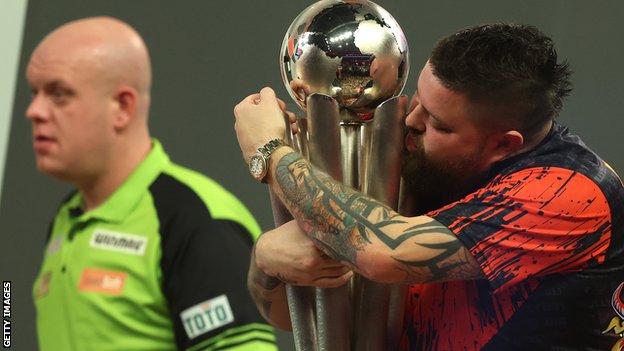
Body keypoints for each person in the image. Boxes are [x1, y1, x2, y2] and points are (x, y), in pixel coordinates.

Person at [234, 23, 624, 350]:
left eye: (439, 123)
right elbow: (289, 317)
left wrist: (269, 152)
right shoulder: (430, 164)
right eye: (417, 99)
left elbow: (380, 253)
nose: (410, 121)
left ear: (504, 143)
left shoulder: (568, 195)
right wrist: (266, 261)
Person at [28, 17, 277, 351]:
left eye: (59, 94)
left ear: (122, 106)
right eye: (35, 93)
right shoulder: (67, 217)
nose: (34, 111)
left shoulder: (196, 219)